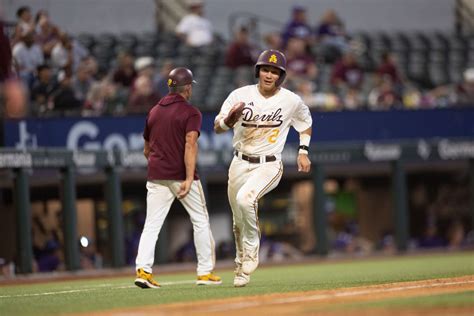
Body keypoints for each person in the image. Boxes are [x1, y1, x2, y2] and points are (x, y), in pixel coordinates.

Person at [214, 50, 313, 287]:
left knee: (246, 199)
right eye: (266, 69)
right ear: (258, 71)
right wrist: (228, 120)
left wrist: (303, 151)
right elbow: (217, 126)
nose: (269, 75)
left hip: (269, 164)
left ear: (281, 75)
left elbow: (305, 123)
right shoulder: (240, 94)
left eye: (275, 71)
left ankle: (252, 250)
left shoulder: (290, 100)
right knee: (237, 219)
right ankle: (241, 268)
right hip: (239, 162)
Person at [134, 67, 221, 288]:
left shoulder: (154, 111)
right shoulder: (191, 112)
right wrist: (189, 177)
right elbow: (190, 144)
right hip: (181, 176)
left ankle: (143, 271)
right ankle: (204, 273)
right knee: (200, 220)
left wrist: (159, 166)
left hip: (156, 175)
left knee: (151, 225)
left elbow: (146, 150)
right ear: (188, 88)